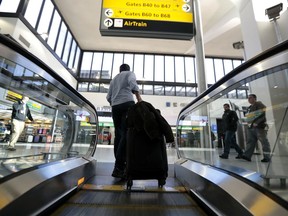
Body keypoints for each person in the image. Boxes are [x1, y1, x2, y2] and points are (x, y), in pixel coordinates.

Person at [106, 63, 142, 178]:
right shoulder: (130, 74)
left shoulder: (114, 79)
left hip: (115, 107)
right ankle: (120, 167)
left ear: (119, 70)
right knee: (127, 134)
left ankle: (120, 166)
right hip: (127, 104)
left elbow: (108, 97)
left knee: (118, 135)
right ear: (128, 69)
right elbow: (133, 84)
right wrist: (139, 99)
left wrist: (114, 103)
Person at [241, 94, 271, 162]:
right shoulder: (249, 107)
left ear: (255, 98)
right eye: (248, 98)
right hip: (251, 127)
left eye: (250, 98)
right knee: (250, 142)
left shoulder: (259, 104)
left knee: (264, 142)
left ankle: (267, 157)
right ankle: (247, 156)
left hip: (259, 127)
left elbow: (262, 113)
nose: (249, 99)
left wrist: (257, 122)